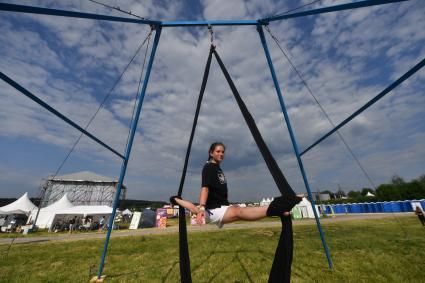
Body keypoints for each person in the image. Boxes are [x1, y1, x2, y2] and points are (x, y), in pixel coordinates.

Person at [171, 142, 303, 228]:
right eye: (218, 151)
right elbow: (205, 188)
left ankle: (176, 200)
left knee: (194, 208)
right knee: (238, 212)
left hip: (220, 206)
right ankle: (279, 206)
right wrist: (201, 209)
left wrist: (198, 209)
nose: (221, 154)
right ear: (211, 153)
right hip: (213, 209)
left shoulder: (217, 168)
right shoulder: (208, 167)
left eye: (223, 152)